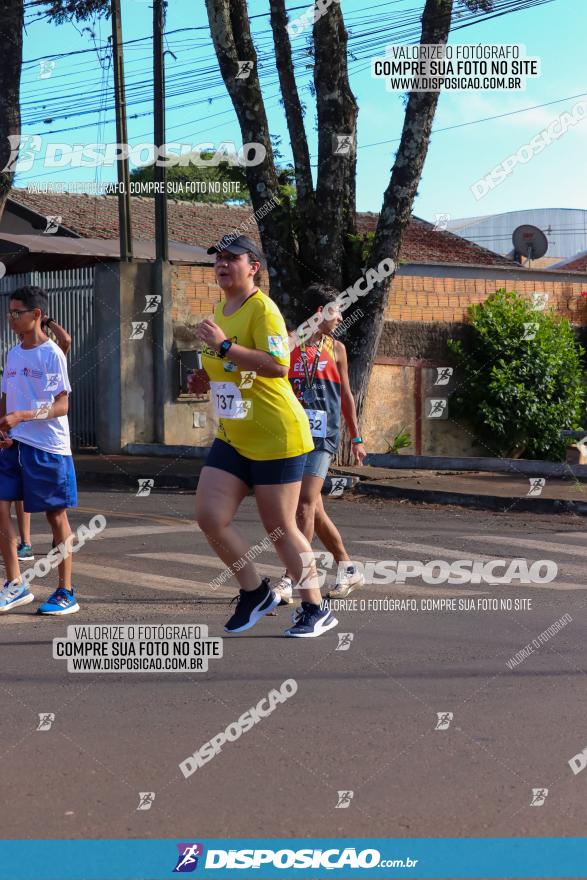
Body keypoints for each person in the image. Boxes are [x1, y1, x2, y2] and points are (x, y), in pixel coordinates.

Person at [190, 234, 338, 638]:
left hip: (276, 434)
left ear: (253, 267)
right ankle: (255, 592)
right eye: (217, 259)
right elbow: (231, 367)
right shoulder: (221, 308)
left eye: (230, 258)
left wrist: (223, 348)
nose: (221, 264)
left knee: (280, 528)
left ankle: (316, 607)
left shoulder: (263, 310)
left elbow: (276, 364)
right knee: (209, 516)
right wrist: (210, 371)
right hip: (234, 434)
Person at [272, 284, 367, 606]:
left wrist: (356, 438)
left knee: (303, 503)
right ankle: (348, 568)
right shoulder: (288, 344)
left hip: (323, 436)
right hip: (292, 434)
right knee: (314, 509)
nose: (340, 317)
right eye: (335, 310)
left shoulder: (336, 348)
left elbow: (346, 395)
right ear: (319, 313)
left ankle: (291, 577)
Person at [0, 285, 79, 615]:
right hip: (14, 445)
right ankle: (15, 583)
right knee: (1, 506)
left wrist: (24, 416)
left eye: (17, 313)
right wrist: (3, 425)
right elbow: (5, 396)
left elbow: (62, 405)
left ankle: (65, 591)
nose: (11, 319)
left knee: (55, 516)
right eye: (9, 313)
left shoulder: (51, 354)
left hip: (48, 448)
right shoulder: (13, 353)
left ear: (36, 315)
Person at [14, 315, 72, 562]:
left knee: (56, 509)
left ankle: (59, 540)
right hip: (23, 432)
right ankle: (25, 542)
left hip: (48, 430)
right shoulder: (17, 354)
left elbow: (66, 339)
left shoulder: (53, 354)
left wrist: (46, 320)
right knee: (17, 493)